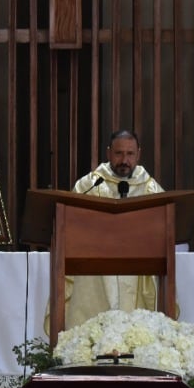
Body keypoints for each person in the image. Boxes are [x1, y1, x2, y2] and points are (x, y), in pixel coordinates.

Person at [64, 130, 165, 327]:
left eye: (130, 154)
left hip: (138, 267)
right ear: (109, 153)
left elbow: (163, 230)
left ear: (138, 154)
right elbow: (71, 224)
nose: (124, 160)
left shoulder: (151, 189)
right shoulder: (89, 185)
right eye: (119, 154)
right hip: (95, 269)